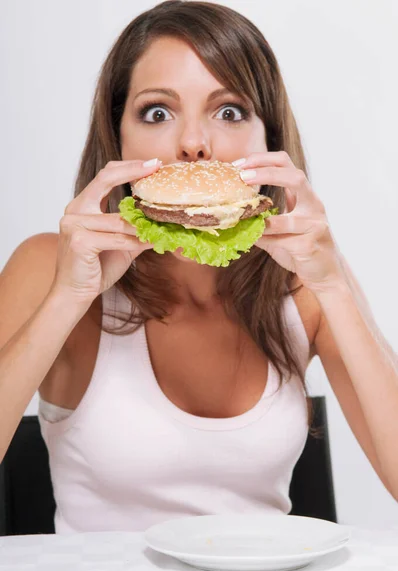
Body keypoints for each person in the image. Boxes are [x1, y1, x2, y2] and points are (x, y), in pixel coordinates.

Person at [0, 0, 397, 534]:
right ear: (117, 137)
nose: (193, 144)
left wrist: (335, 287)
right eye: (157, 112)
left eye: (229, 111)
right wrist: (68, 298)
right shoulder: (48, 266)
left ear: (269, 141)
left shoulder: (304, 283)